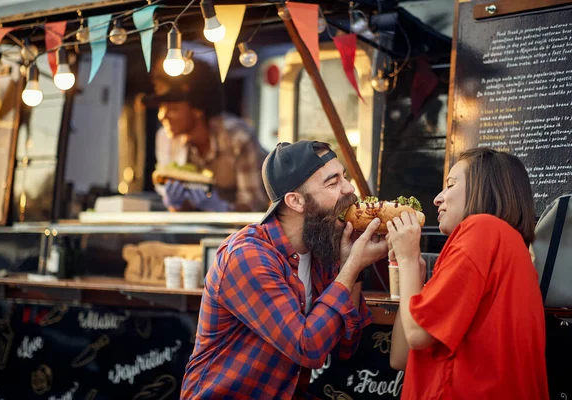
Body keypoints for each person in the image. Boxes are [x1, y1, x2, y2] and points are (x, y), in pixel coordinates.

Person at [180, 141, 388, 399]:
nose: (349, 189)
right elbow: (308, 347)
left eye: (344, 177)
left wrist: (351, 269)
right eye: (333, 182)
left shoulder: (320, 250)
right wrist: (352, 265)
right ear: (296, 201)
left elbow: (346, 347)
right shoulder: (248, 257)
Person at [387, 148, 548, 399]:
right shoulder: (506, 245)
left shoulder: (482, 228)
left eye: (450, 185)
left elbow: (417, 335)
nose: (437, 199)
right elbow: (401, 356)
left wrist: (407, 258)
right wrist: (412, 271)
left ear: (484, 187)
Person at [147, 57, 269, 212]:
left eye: (173, 108)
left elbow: (256, 204)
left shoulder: (237, 137)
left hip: (240, 234)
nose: (162, 116)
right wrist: (174, 204)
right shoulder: (165, 138)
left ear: (198, 109)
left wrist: (221, 208)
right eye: (161, 107)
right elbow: (177, 212)